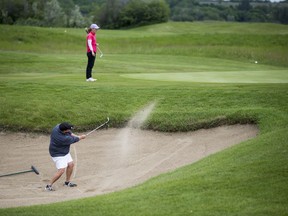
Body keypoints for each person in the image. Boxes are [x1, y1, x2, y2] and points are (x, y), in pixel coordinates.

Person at [45, 122, 86, 191]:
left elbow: (70, 133)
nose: (69, 130)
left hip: (64, 151)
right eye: (68, 129)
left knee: (71, 164)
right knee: (61, 171)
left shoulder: (58, 126)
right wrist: (81, 137)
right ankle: (48, 186)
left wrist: (77, 136)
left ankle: (67, 182)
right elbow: (75, 139)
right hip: (58, 154)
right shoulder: (63, 139)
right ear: (64, 130)